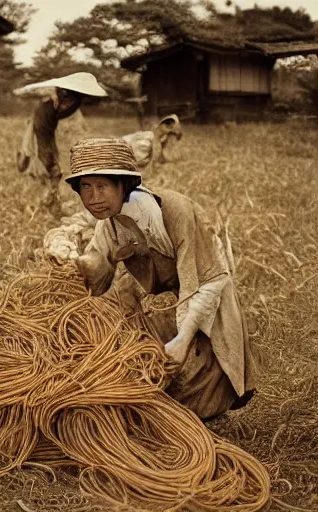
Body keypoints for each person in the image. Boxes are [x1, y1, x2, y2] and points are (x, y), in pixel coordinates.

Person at [68, 138, 257, 421]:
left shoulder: (176, 211)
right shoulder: (109, 224)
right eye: (86, 187)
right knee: (146, 357)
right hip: (164, 300)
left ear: (123, 186)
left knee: (203, 374)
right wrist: (71, 263)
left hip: (206, 294)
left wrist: (183, 339)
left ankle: (197, 417)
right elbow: (97, 271)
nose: (94, 197)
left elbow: (205, 280)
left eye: (102, 186)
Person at [15, 72, 108, 213]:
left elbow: (69, 127)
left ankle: (51, 201)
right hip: (40, 130)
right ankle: (37, 203)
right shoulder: (57, 93)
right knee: (44, 166)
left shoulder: (76, 100)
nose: (65, 104)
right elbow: (31, 93)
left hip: (50, 132)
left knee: (54, 167)